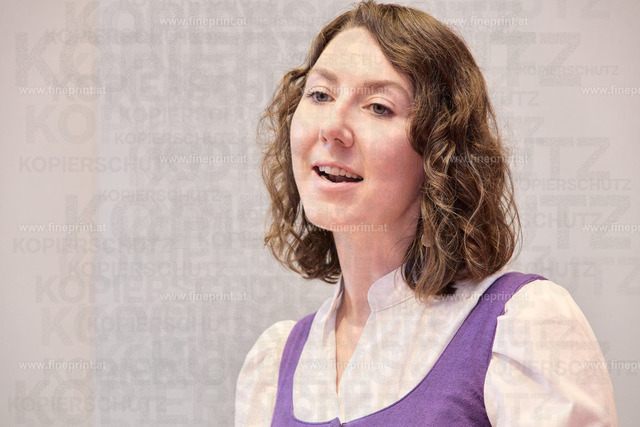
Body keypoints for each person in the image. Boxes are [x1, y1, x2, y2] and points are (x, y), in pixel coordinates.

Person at [236, 1, 618, 425]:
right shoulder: (274, 365)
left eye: (379, 107)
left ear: (441, 153)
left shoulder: (523, 326)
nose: (332, 128)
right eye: (320, 95)